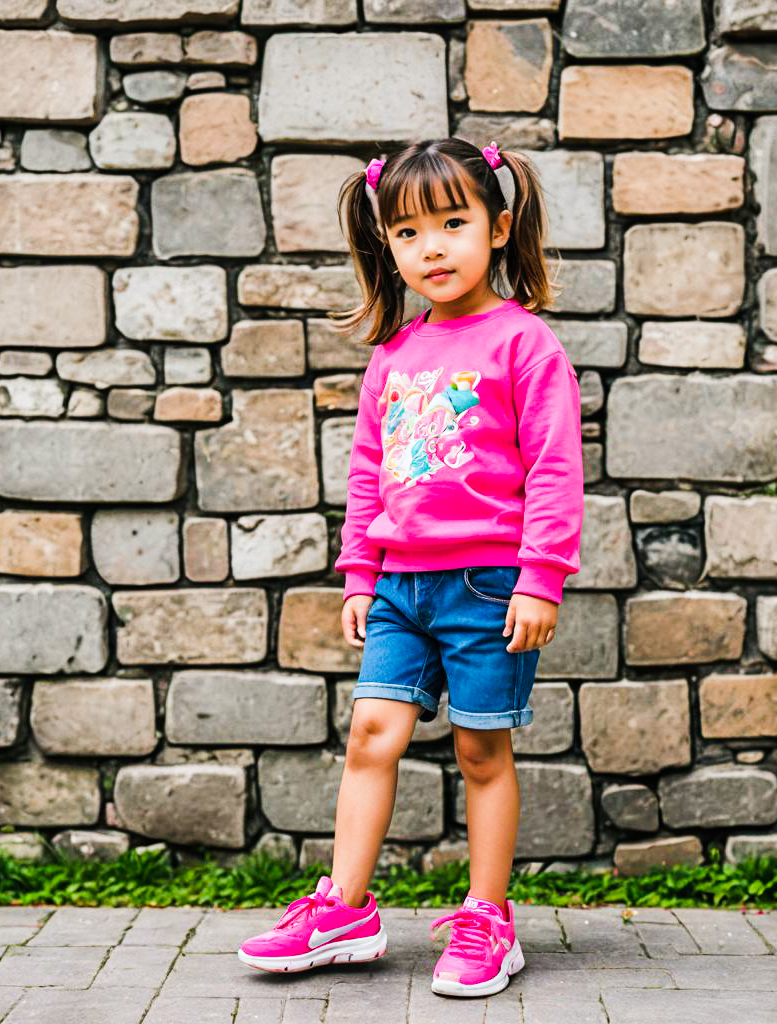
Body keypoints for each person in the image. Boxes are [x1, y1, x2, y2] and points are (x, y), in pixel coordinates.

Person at [237, 137, 584, 999]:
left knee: (479, 748)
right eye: (407, 232)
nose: (431, 248)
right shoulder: (393, 355)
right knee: (371, 736)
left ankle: (486, 916)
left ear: (499, 229)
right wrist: (360, 573)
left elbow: (554, 467)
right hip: (399, 587)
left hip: (489, 586)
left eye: (453, 224)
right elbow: (368, 471)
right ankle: (345, 907)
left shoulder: (525, 345)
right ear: (387, 247)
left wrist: (542, 575)